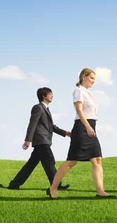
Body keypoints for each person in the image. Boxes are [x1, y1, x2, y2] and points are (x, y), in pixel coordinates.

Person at [47, 68, 111, 198]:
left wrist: (90, 126)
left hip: (91, 127)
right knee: (71, 161)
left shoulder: (88, 93)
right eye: (92, 78)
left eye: (94, 79)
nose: (93, 81)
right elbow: (79, 111)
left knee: (97, 160)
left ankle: (100, 191)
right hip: (83, 128)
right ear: (83, 77)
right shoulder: (78, 91)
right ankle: (52, 188)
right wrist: (87, 126)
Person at [8, 87, 71, 190]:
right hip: (41, 140)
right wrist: (28, 140)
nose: (52, 96)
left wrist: (65, 133)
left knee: (31, 164)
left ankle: (14, 184)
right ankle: (56, 185)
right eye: (50, 94)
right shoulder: (38, 107)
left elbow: (51, 126)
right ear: (43, 96)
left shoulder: (46, 109)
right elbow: (32, 124)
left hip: (43, 141)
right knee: (50, 161)